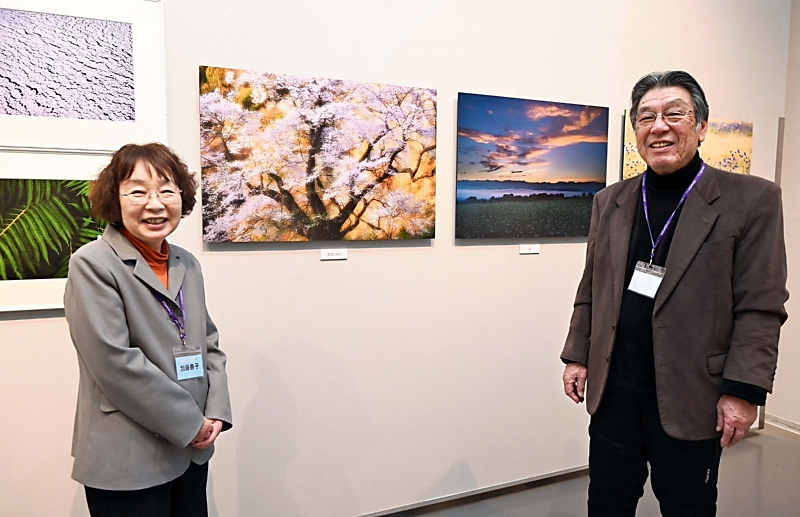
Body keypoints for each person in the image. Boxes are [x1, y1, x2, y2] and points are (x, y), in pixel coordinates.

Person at [560, 71, 788, 516]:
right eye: (646, 117)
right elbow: (591, 287)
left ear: (701, 126)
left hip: (692, 395)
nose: (658, 126)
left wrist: (744, 392)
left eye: (674, 114)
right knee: (607, 504)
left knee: (689, 507)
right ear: (636, 132)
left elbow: (761, 306)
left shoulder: (752, 199)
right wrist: (577, 354)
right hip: (615, 393)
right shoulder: (612, 201)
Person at [64, 142, 232, 517]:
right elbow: (114, 362)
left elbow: (207, 342)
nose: (155, 204)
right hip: (129, 453)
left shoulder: (185, 262)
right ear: (115, 198)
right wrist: (191, 424)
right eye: (138, 191)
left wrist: (216, 410)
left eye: (167, 190)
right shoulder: (92, 264)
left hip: (192, 450)